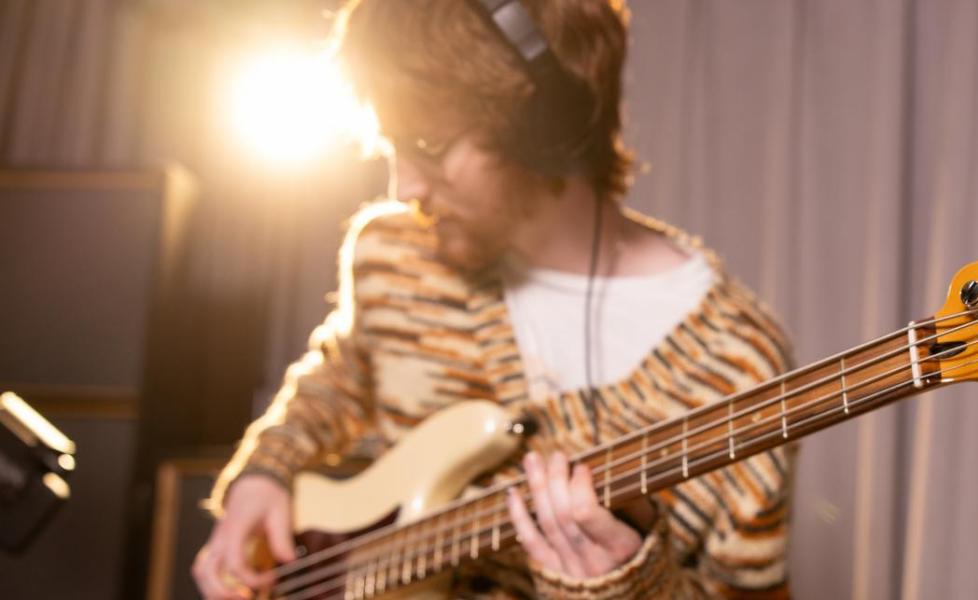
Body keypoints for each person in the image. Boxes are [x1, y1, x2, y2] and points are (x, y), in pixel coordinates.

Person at [191, 0, 794, 598]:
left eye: (428, 141)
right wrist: (266, 472)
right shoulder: (395, 253)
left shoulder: (740, 365)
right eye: (391, 142)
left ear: (544, 129)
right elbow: (341, 376)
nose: (404, 186)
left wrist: (632, 586)